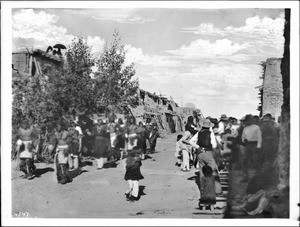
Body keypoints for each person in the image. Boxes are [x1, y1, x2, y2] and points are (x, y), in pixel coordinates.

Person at [197, 119, 222, 195]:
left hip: (200, 153)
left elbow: (191, 141)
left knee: (202, 172)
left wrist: (199, 147)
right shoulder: (210, 133)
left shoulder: (199, 133)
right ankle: (217, 190)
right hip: (208, 153)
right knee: (214, 171)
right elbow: (214, 145)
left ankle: (203, 189)